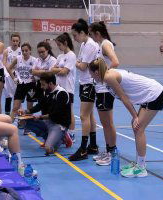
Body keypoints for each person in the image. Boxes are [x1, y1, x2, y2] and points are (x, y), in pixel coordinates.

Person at [89, 58, 163, 177]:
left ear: (96, 73)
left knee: (138, 127)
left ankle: (141, 168)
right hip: (149, 94)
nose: (92, 78)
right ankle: (139, 163)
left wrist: (135, 116)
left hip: (155, 94)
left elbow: (124, 97)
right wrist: (135, 117)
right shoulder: (107, 75)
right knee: (136, 126)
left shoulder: (108, 77)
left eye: (92, 75)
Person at [88, 21, 120, 166]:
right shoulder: (102, 45)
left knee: (108, 123)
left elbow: (115, 61)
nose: (91, 37)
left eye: (91, 34)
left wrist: (103, 74)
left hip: (105, 90)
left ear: (97, 34)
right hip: (101, 89)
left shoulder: (105, 44)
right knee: (105, 123)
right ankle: (109, 151)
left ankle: (112, 153)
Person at [19, 73, 71, 155]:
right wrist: (26, 111)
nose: (41, 87)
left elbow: (55, 114)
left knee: (48, 149)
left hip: (59, 124)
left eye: (43, 85)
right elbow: (39, 106)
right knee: (26, 121)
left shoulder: (61, 93)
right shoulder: (46, 92)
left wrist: (40, 117)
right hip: (49, 122)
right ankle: (49, 137)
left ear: (50, 84)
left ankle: (63, 137)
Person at [68, 18, 98, 161]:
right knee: (89, 115)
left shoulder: (90, 45)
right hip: (84, 82)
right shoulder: (84, 44)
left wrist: (77, 62)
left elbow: (82, 66)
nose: (74, 38)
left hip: (90, 83)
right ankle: (93, 145)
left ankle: (83, 149)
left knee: (84, 116)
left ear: (81, 32)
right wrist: (78, 62)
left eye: (75, 35)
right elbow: (79, 62)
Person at [51, 32, 76, 146]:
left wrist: (58, 69)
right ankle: (62, 134)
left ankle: (71, 133)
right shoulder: (60, 56)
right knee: (59, 111)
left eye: (59, 45)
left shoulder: (71, 55)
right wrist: (59, 70)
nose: (58, 47)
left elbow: (65, 72)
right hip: (59, 88)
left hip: (68, 88)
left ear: (65, 43)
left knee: (69, 111)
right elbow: (53, 69)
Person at [9, 43, 37, 124]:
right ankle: (9, 126)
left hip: (31, 85)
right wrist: (14, 78)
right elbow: (9, 68)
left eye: (26, 50)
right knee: (15, 108)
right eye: (23, 51)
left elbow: (38, 71)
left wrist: (35, 78)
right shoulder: (18, 59)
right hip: (21, 85)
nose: (24, 52)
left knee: (29, 108)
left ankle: (28, 126)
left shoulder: (34, 60)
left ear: (30, 51)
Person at [2, 32, 22, 115]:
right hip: (8, 74)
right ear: (11, 41)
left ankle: (19, 115)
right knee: (8, 95)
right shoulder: (7, 50)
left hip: (18, 74)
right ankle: (7, 115)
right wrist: (9, 69)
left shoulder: (22, 50)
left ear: (19, 41)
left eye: (16, 41)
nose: (15, 42)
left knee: (18, 96)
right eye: (13, 41)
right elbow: (4, 62)